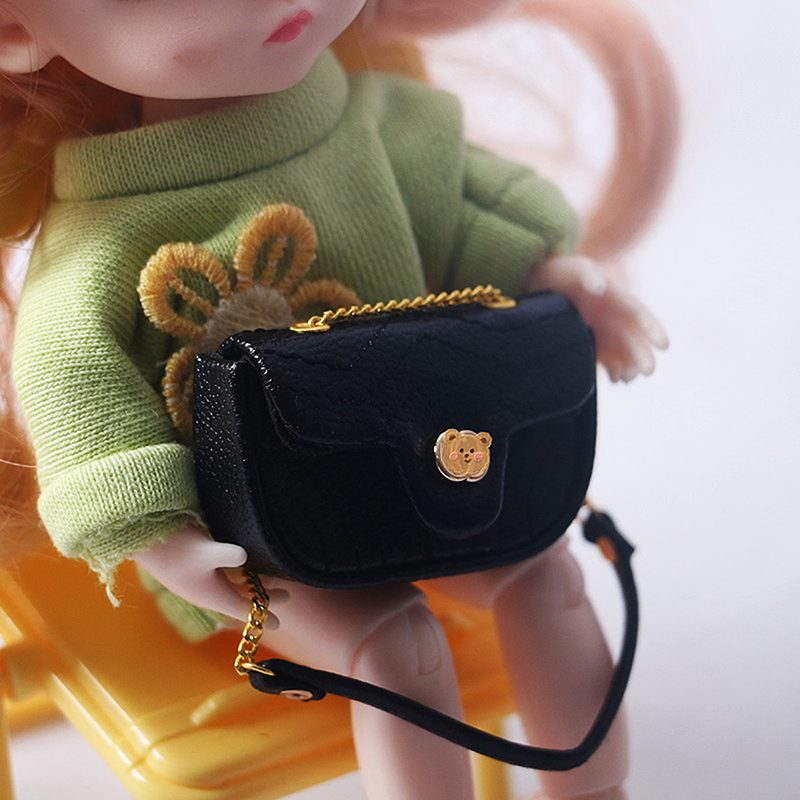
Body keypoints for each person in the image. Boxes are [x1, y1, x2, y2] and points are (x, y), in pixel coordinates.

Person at [0, 2, 677, 798]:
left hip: (420, 472)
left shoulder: (384, 125)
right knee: (396, 645)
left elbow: (468, 219)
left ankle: (596, 791)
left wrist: (559, 284)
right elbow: (74, 383)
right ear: (16, 30)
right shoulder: (98, 244)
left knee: (548, 578)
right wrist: (157, 536)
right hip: (251, 538)